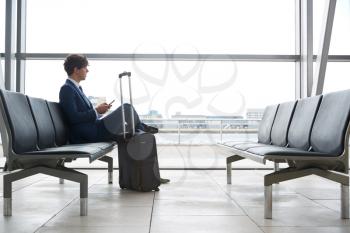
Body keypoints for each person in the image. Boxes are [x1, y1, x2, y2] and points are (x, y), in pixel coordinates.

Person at [59, 54, 169, 183]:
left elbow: (83, 115)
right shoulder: (67, 89)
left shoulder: (77, 88)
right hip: (91, 133)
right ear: (76, 69)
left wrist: (100, 112)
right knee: (127, 108)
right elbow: (73, 118)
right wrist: (95, 111)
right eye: (85, 68)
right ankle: (142, 127)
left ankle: (151, 176)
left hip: (95, 127)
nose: (87, 71)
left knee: (133, 132)